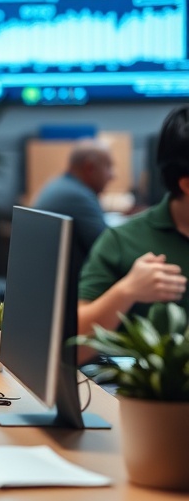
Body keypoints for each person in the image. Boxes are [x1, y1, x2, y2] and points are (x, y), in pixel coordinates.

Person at [77, 106, 189, 363]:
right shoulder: (122, 241)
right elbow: (76, 347)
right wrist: (127, 291)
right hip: (153, 400)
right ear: (186, 184)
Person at [32, 138, 114, 277]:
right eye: (108, 167)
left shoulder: (61, 185)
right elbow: (109, 249)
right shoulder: (77, 197)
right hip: (68, 285)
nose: (113, 176)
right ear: (90, 168)